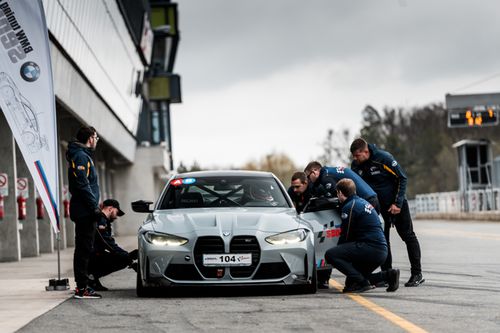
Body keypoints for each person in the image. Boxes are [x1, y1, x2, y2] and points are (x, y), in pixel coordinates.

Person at [350, 138, 424, 287]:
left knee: (408, 236)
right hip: (376, 209)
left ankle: (417, 273)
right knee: (382, 241)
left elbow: (402, 178)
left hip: (396, 204)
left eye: (357, 155)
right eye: (353, 156)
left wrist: (397, 203)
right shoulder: (355, 166)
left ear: (366, 151)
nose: (355, 159)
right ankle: (387, 275)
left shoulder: (384, 158)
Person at [324, 179, 400, 293]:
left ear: (340, 193)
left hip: (370, 249)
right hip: (380, 250)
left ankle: (364, 283)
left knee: (330, 254)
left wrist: (338, 253)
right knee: (351, 284)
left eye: (337, 193)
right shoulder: (363, 202)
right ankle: (389, 275)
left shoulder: (349, 206)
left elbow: (346, 235)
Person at [66, 125, 102, 299]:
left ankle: (83, 286)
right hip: (84, 211)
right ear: (90, 138)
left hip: (85, 210)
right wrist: (94, 207)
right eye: (96, 138)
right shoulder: (81, 156)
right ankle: (82, 288)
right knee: (83, 250)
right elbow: (82, 184)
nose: (96, 141)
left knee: (85, 249)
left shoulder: (84, 156)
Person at [88, 199, 138, 291]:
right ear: (110, 209)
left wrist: (127, 256)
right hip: (91, 256)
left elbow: (108, 242)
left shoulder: (103, 220)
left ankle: (93, 278)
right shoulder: (100, 220)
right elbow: (106, 241)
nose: (116, 217)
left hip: (95, 255)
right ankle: (90, 277)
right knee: (123, 258)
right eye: (116, 212)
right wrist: (126, 256)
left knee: (125, 257)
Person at [304, 161, 380, 213]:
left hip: (366, 201)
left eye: (308, 177)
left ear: (314, 172)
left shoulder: (325, 177)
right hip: (371, 198)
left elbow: (339, 197)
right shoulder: (329, 171)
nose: (308, 180)